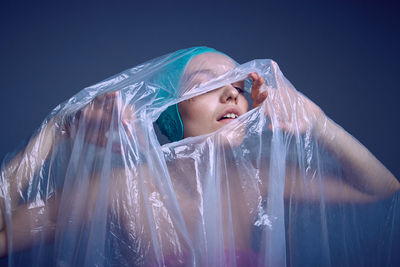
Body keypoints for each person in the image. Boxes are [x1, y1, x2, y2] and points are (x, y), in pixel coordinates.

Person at [0, 47, 399, 266]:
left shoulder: (257, 178)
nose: (232, 94)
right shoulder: (124, 189)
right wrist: (56, 132)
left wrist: (318, 123)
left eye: (237, 85)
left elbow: (381, 189)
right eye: (207, 85)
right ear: (172, 111)